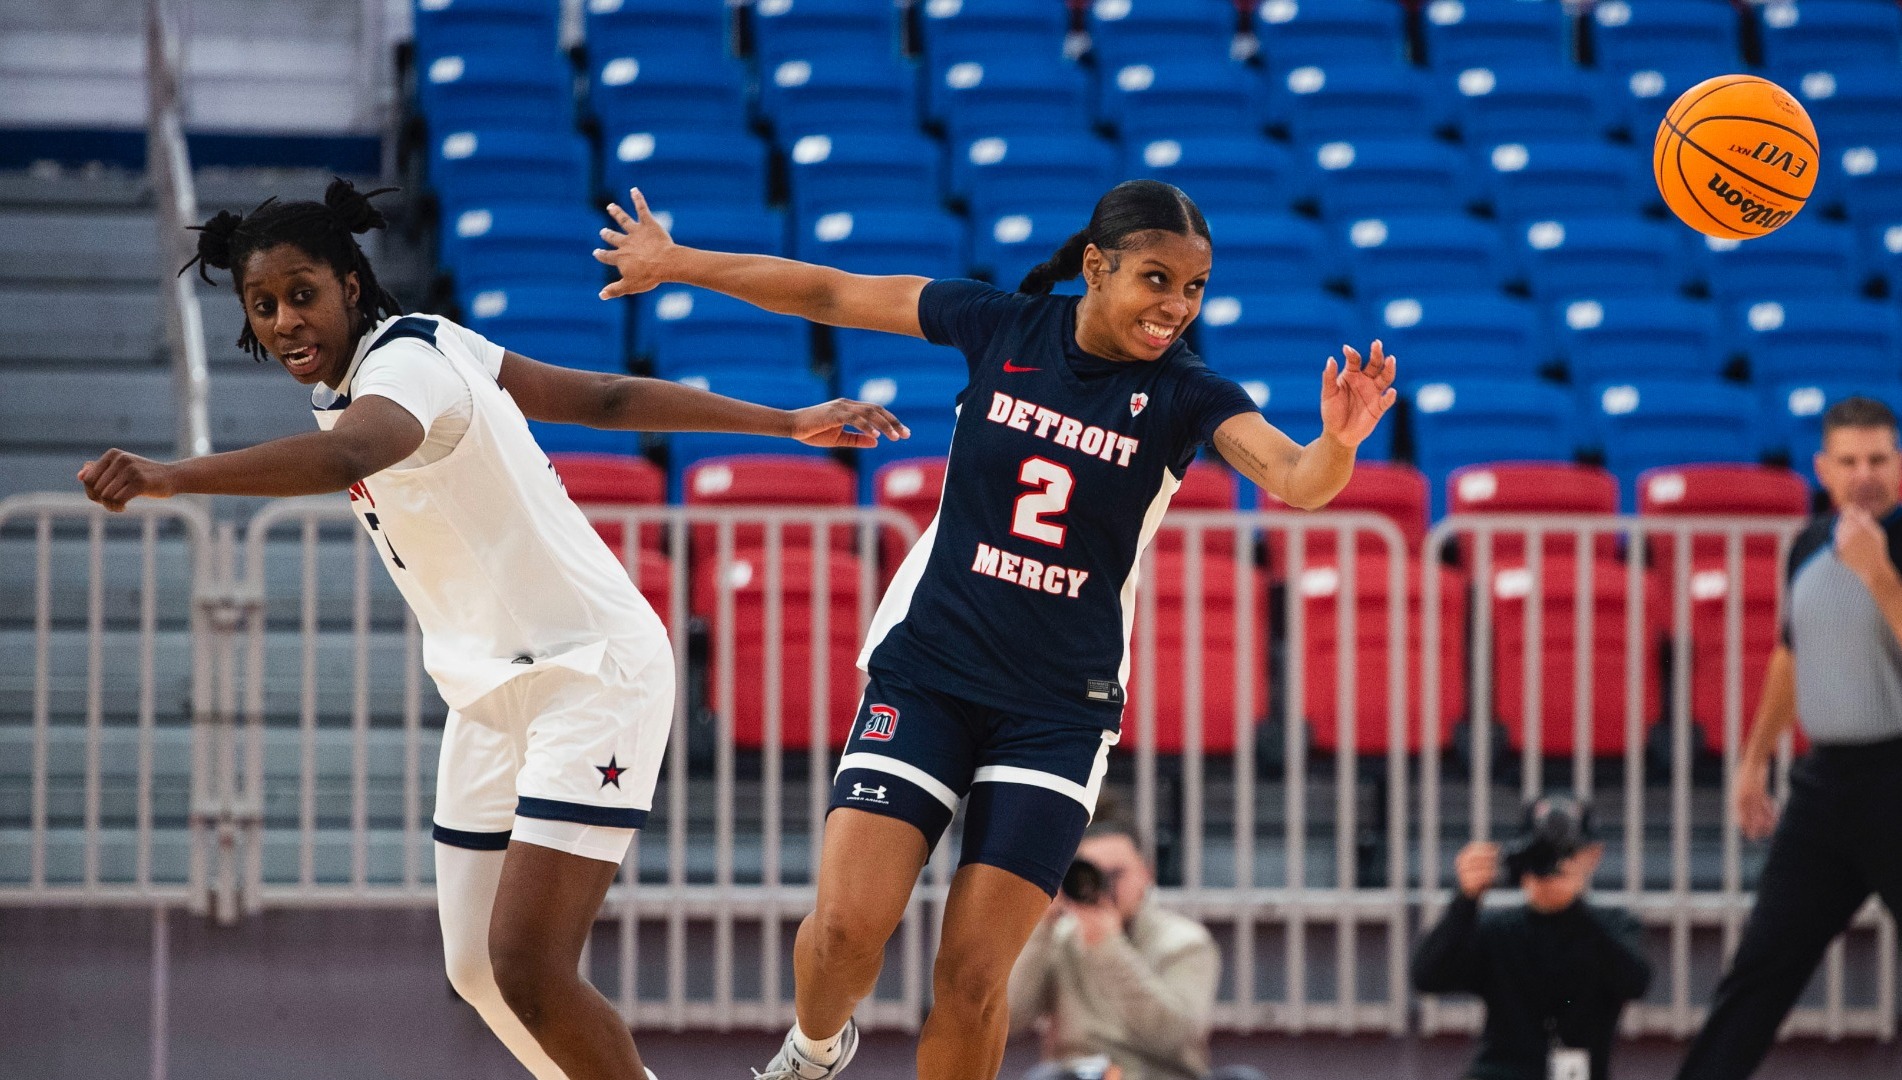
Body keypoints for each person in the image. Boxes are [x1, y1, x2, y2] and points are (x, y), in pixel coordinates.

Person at [76, 179, 905, 1080]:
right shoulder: (433, 341)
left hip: (590, 674)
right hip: (487, 692)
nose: (283, 322)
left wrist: (174, 478)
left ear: (353, 282)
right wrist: (783, 421)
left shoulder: (407, 367)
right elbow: (598, 401)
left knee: (527, 965)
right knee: (476, 970)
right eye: (263, 306)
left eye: (302, 294)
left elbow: (353, 454)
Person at [593, 177, 1397, 1080]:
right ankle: (816, 1048)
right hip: (930, 672)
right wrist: (675, 262)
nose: (1175, 307)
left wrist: (1339, 443)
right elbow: (829, 290)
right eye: (1156, 280)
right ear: (1095, 269)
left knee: (974, 978)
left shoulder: (1187, 395)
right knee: (849, 935)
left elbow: (1294, 478)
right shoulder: (1003, 326)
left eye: (1194, 289)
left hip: (1058, 711)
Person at [1676, 396, 1902, 1080]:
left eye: (1879, 459)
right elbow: (1789, 655)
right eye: (1851, 461)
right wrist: (1753, 761)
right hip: (1825, 787)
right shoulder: (1807, 543)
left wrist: (1881, 577)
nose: (1866, 473)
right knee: (1761, 968)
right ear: (1823, 469)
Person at [1411, 796, 1652, 1080]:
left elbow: (1635, 982)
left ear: (1593, 857)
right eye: (1539, 855)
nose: (1549, 866)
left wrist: (1572, 910)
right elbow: (1427, 977)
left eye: (1567, 854)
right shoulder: (1497, 929)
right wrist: (1465, 900)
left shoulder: (1612, 925)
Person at [1008, 819, 1265, 1080]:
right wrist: (1041, 926)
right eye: (1091, 874)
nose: (1103, 887)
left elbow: (1175, 1037)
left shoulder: (1185, 942)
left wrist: (1108, 948)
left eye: (1116, 875)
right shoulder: (1060, 940)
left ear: (1147, 873)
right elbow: (1009, 1019)